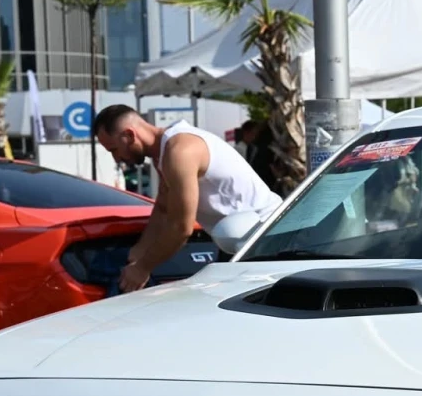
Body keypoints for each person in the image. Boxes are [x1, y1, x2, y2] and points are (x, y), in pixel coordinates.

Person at [92, 105, 282, 293]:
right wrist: (138, 253)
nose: (116, 159)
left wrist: (142, 268)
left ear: (129, 135)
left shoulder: (180, 151)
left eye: (114, 150)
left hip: (267, 239)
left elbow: (181, 228)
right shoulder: (165, 150)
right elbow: (163, 209)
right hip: (239, 239)